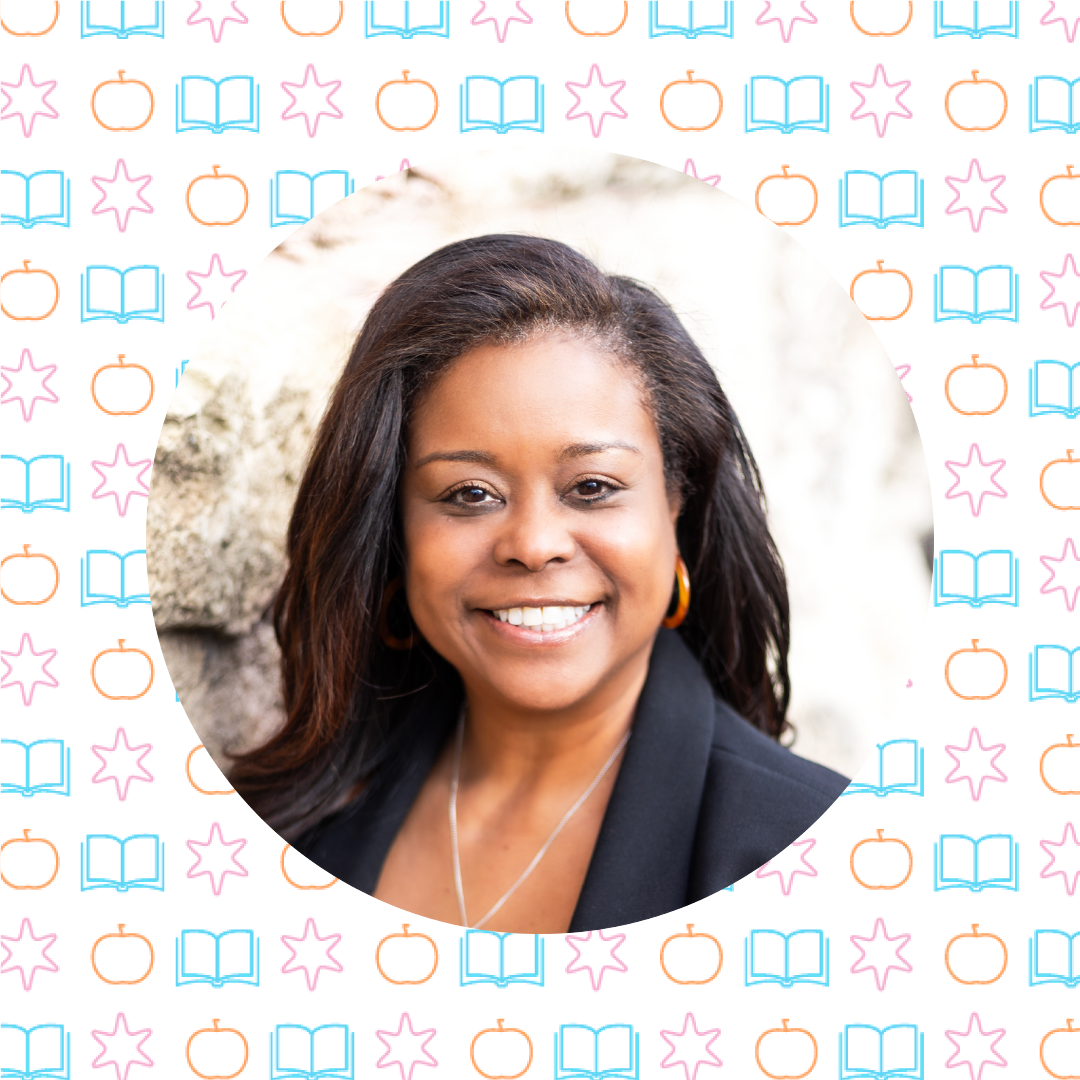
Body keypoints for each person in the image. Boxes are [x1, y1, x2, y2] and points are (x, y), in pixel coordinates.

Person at [228, 233, 849, 934]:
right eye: (468, 493)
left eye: (591, 486)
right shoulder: (291, 827)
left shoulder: (815, 852)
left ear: (680, 507)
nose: (532, 545)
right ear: (393, 534)